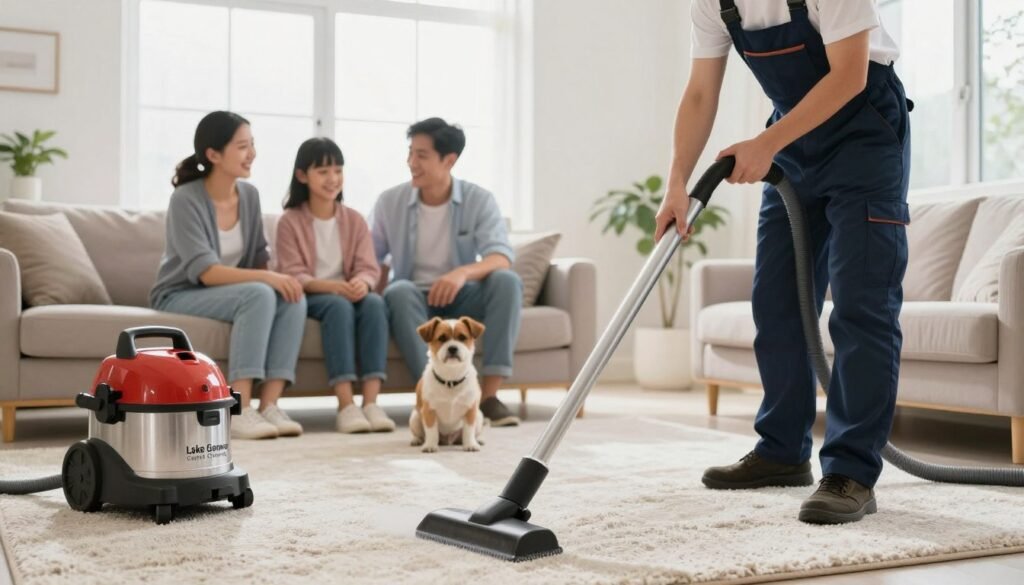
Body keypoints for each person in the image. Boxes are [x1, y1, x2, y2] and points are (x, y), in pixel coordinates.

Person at [656, 1, 911, 524]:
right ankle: (781, 450)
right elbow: (701, 91)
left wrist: (766, 143)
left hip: (865, 135)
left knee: (862, 306)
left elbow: (849, 76)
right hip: (794, 142)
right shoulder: (714, 3)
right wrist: (676, 182)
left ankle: (851, 472)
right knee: (776, 302)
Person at [150, 111, 307, 440]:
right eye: (242, 146)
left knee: (292, 296)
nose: (252, 153)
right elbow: (205, 272)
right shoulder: (185, 200)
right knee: (262, 292)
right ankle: (239, 407)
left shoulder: (249, 196)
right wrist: (268, 282)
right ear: (213, 155)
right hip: (180, 293)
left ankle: (269, 406)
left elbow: (259, 256)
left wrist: (280, 280)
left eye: (252, 145)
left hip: (233, 293)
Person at [371, 117, 524, 427]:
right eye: (410, 153)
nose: (412, 162)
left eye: (422, 155)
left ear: (449, 160)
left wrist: (462, 273)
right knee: (397, 291)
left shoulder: (478, 199)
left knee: (507, 281)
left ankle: (489, 398)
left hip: (462, 296)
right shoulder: (390, 202)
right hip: (414, 297)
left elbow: (501, 256)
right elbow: (370, 259)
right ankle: (432, 396)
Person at [275, 137, 395, 434]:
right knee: (339, 306)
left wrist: (362, 283)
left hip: (348, 292)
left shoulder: (354, 219)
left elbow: (369, 267)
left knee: (376, 303)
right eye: (323, 171)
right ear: (302, 175)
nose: (333, 179)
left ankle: (370, 403)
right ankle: (346, 405)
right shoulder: (289, 222)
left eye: (338, 170)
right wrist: (334, 287)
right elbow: (293, 274)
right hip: (314, 296)